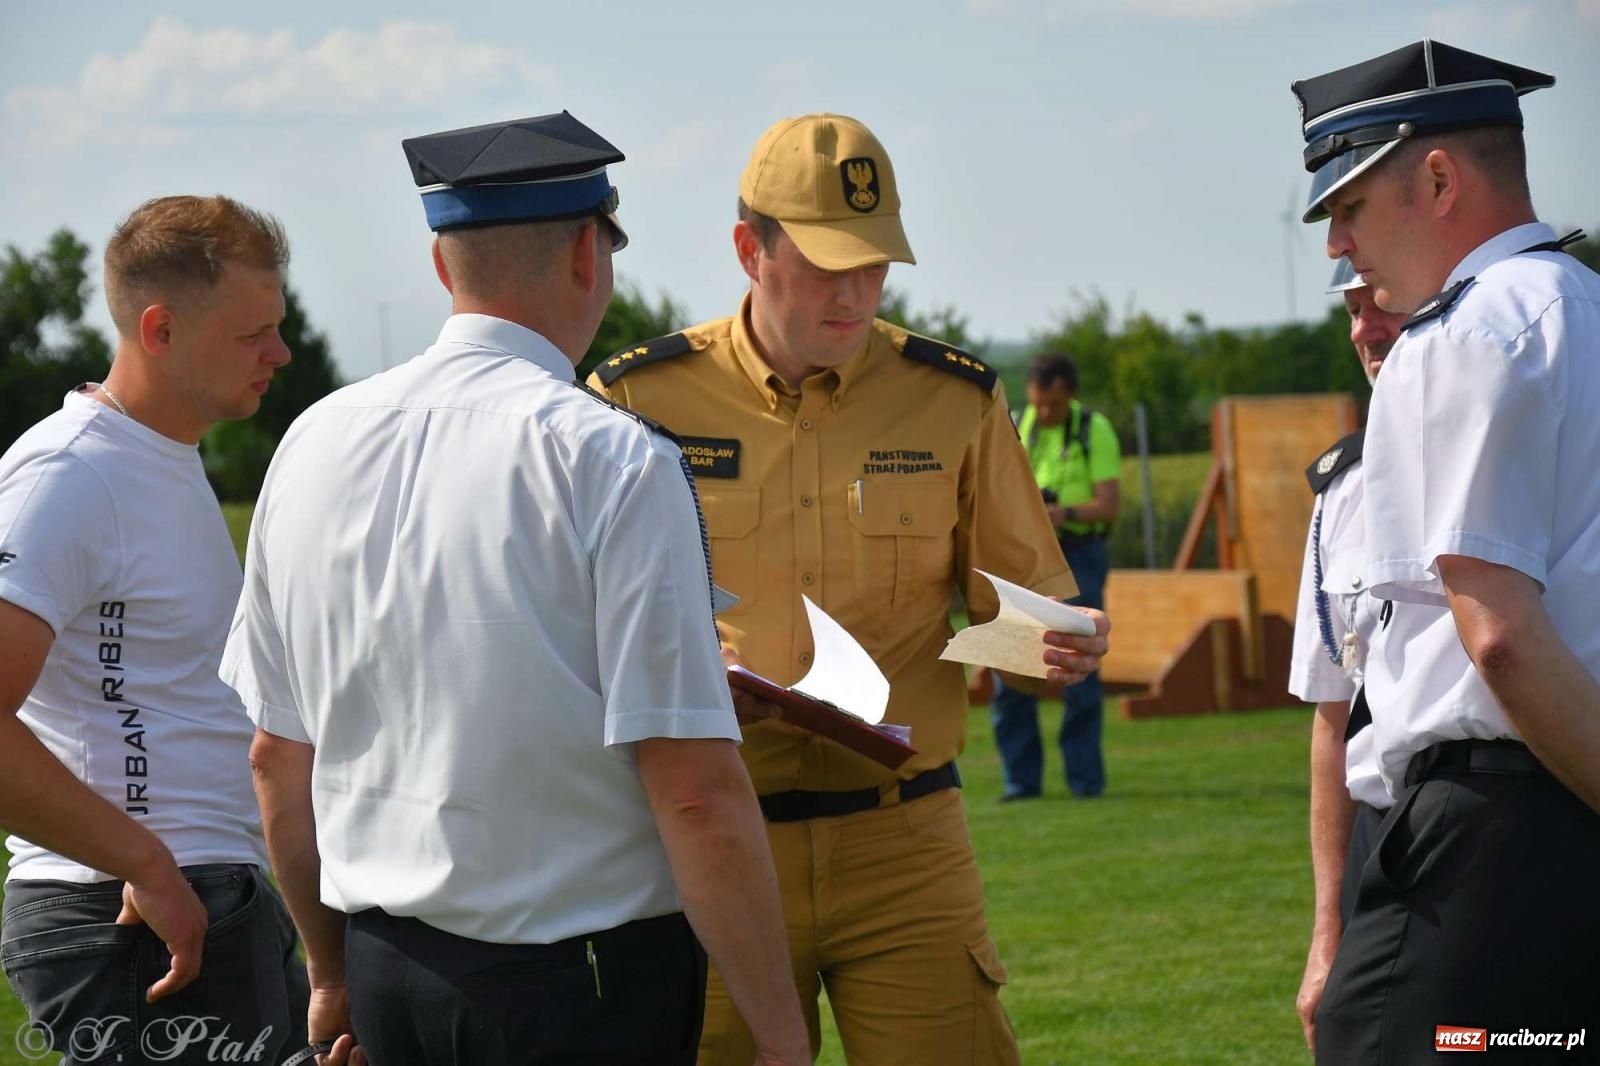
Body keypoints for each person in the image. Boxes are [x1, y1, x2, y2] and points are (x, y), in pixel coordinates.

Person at [223, 112, 810, 1066]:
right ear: (590, 253)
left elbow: (274, 759)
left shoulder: (311, 441)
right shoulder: (613, 457)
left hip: (386, 968)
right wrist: (783, 1040)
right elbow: (695, 790)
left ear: (442, 266)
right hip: (577, 986)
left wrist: (332, 979)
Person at [589, 112, 1110, 1066]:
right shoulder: (635, 403)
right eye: (830, 265)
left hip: (906, 845)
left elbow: (1014, 616)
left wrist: (1055, 644)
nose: (858, 292)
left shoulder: (953, 398)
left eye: (876, 265)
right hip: (711, 838)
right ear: (751, 249)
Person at [1291, 40, 1600, 1063]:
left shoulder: (1467, 332)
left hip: (1487, 845)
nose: (1337, 246)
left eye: (1347, 206)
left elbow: (1497, 633)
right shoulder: (1582, 309)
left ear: (1435, 177)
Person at [0, 196, 314, 1064]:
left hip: (190, 894)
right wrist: (146, 862)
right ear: (161, 329)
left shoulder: (158, 461)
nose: (280, 353)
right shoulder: (69, 475)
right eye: (254, 332)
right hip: (130, 913)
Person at [1287, 259, 1408, 1052]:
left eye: (1382, 304)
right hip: (1382, 837)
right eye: (1352, 311)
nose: (1364, 330)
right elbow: (1334, 719)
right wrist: (1326, 930)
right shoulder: (1344, 489)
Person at [990, 351, 1120, 800]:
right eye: (1039, 404)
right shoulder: (1019, 425)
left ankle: (1085, 782)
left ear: (1071, 395)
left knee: (1079, 668)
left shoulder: (1093, 429)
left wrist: (1060, 513)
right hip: (1025, 556)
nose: (1045, 413)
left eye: (1054, 406)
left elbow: (1108, 504)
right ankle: (1020, 782)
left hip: (1079, 553)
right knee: (1010, 664)